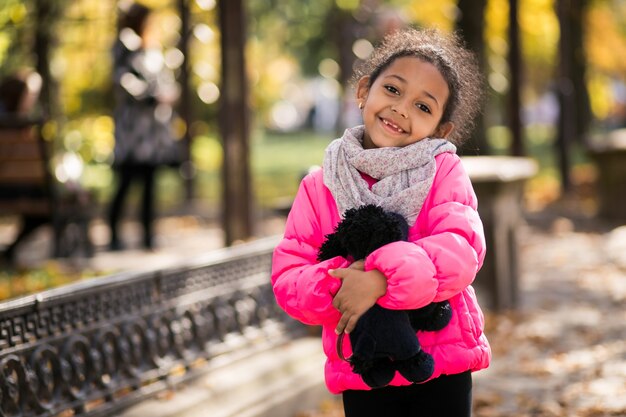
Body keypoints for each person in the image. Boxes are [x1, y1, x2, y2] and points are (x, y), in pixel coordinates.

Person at [271, 28, 490, 417]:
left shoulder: (443, 171)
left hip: (440, 363)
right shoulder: (320, 184)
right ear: (363, 92)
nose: (402, 109)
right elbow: (290, 277)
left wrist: (381, 280)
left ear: (440, 130)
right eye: (392, 90)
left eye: (424, 107)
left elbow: (461, 248)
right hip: (364, 367)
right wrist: (346, 285)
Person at [107, 2, 180, 251]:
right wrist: (151, 96)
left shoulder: (153, 51)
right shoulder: (124, 48)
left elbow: (164, 81)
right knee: (126, 182)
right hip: (132, 134)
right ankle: (113, 235)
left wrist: (168, 94)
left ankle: (148, 235)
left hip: (152, 134)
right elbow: (124, 82)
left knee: (150, 184)